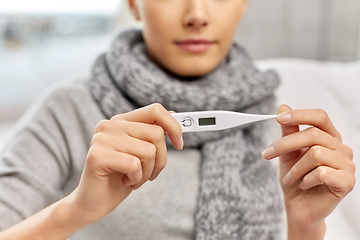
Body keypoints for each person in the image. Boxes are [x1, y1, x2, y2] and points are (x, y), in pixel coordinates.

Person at [0, 0, 355, 239]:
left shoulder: (282, 118)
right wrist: (75, 210)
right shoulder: (68, 110)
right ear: (133, 4)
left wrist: (306, 226)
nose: (197, 14)